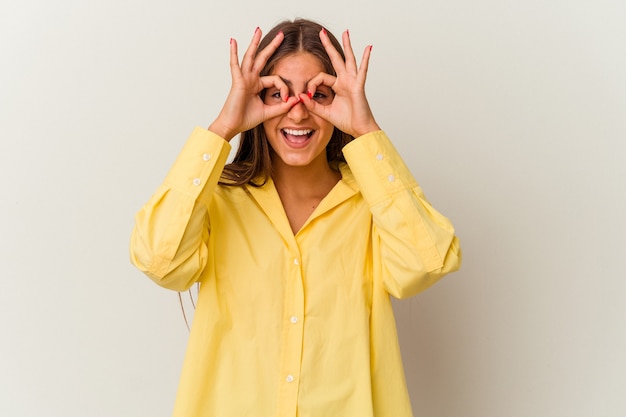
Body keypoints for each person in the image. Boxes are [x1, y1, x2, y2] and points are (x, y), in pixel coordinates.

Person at [130, 18, 461, 417]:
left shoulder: (372, 204)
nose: (299, 113)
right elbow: (157, 260)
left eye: (318, 94)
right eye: (277, 93)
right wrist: (223, 127)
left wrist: (366, 129)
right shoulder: (217, 199)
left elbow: (428, 262)